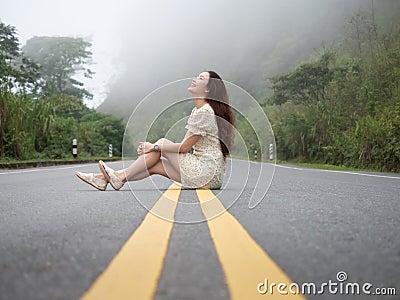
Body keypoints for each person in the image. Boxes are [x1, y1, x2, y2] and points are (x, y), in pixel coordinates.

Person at [76, 71, 235, 191]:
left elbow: (184, 148)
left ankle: (117, 177)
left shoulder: (204, 111)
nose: (194, 79)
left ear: (207, 90)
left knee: (161, 143)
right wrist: (156, 149)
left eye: (200, 79)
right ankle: (104, 179)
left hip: (205, 172)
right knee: (155, 165)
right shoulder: (199, 110)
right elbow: (184, 147)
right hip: (209, 177)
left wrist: (154, 147)